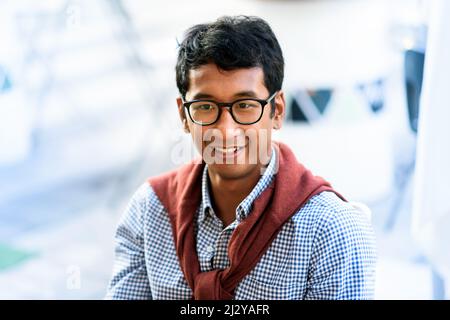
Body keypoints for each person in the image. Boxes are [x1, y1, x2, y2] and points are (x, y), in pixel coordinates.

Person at [105, 15, 377, 300]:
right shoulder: (150, 210)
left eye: (245, 105)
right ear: (184, 116)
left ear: (278, 110)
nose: (225, 130)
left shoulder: (331, 232)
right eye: (205, 106)